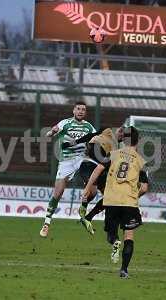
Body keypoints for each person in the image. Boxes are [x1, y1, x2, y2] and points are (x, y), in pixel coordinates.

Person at [82, 126, 147, 278]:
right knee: (129, 236)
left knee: (111, 235)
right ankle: (124, 270)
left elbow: (98, 169)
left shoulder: (113, 154)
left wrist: (87, 188)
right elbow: (144, 187)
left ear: (123, 140)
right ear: (138, 142)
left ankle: (114, 241)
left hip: (111, 200)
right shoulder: (140, 161)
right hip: (129, 202)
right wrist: (134, 195)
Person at [40, 101, 96, 238]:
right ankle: (47, 223)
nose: (81, 111)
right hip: (67, 161)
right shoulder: (65, 122)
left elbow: (96, 139)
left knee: (93, 190)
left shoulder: (89, 127)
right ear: (73, 110)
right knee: (57, 193)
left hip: (82, 159)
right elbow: (55, 129)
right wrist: (51, 132)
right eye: (78, 109)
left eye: (83, 109)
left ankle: (83, 209)